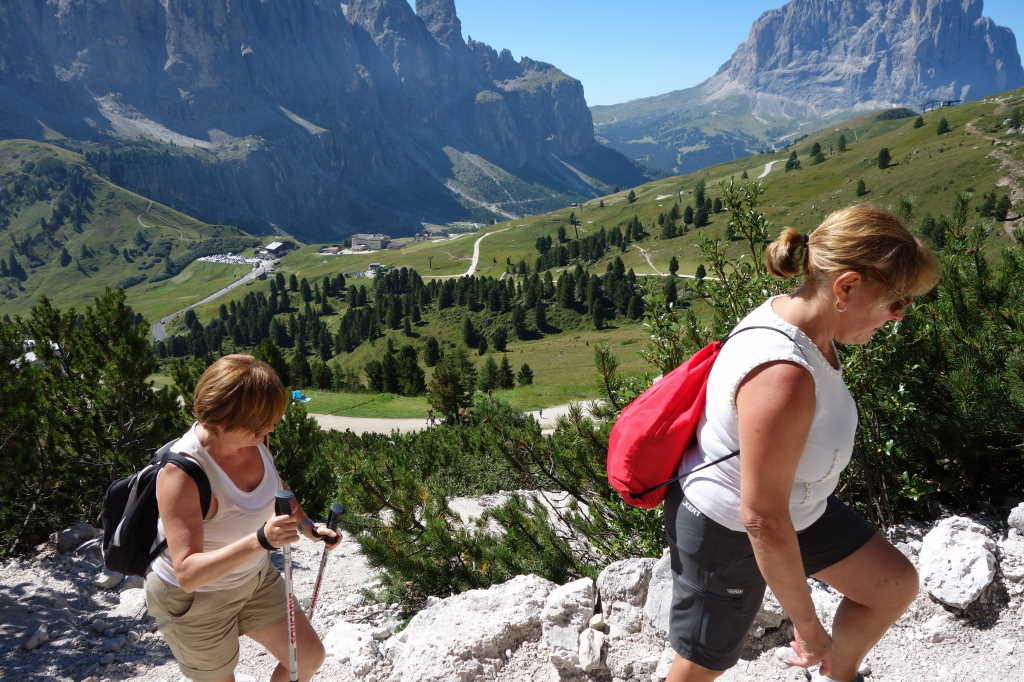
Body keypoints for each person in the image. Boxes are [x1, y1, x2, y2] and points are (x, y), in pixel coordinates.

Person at [664, 205, 938, 682]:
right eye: (896, 302)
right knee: (702, 664)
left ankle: (841, 675)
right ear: (846, 286)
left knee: (891, 585)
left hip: (795, 506)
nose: (898, 317)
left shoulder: (804, 322)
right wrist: (808, 627)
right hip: (729, 526)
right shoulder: (783, 375)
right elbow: (761, 518)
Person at [145, 354, 340, 682]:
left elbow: (279, 490)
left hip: (253, 580)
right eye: (262, 423)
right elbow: (189, 572)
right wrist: (261, 540)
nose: (271, 428)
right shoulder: (181, 474)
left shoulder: (255, 439)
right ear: (223, 420)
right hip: (195, 602)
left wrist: (310, 528)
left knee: (307, 658)